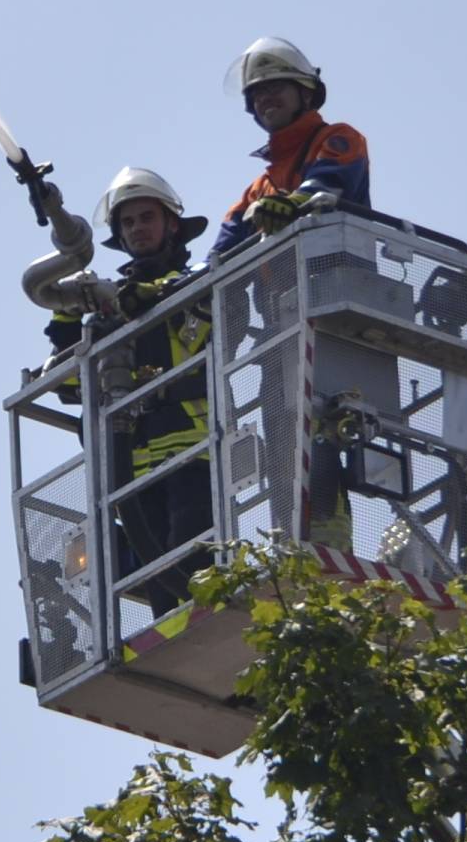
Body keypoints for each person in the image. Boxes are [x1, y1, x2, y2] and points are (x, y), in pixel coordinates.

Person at [20, 167, 214, 612]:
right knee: (155, 569)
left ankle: (206, 621)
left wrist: (146, 297)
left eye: (146, 217)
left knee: (193, 552)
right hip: (131, 462)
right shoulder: (111, 306)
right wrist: (69, 317)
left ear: (172, 225)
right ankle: (175, 638)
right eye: (127, 222)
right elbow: (73, 383)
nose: (137, 228)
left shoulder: (200, 281)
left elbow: (205, 328)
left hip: (193, 448)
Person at [207, 36, 370, 258]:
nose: (265, 98)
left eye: (275, 87)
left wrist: (290, 204)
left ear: (306, 94)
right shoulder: (258, 190)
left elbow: (326, 186)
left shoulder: (339, 138)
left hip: (338, 272)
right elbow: (219, 253)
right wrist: (180, 279)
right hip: (282, 281)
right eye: (257, 93)